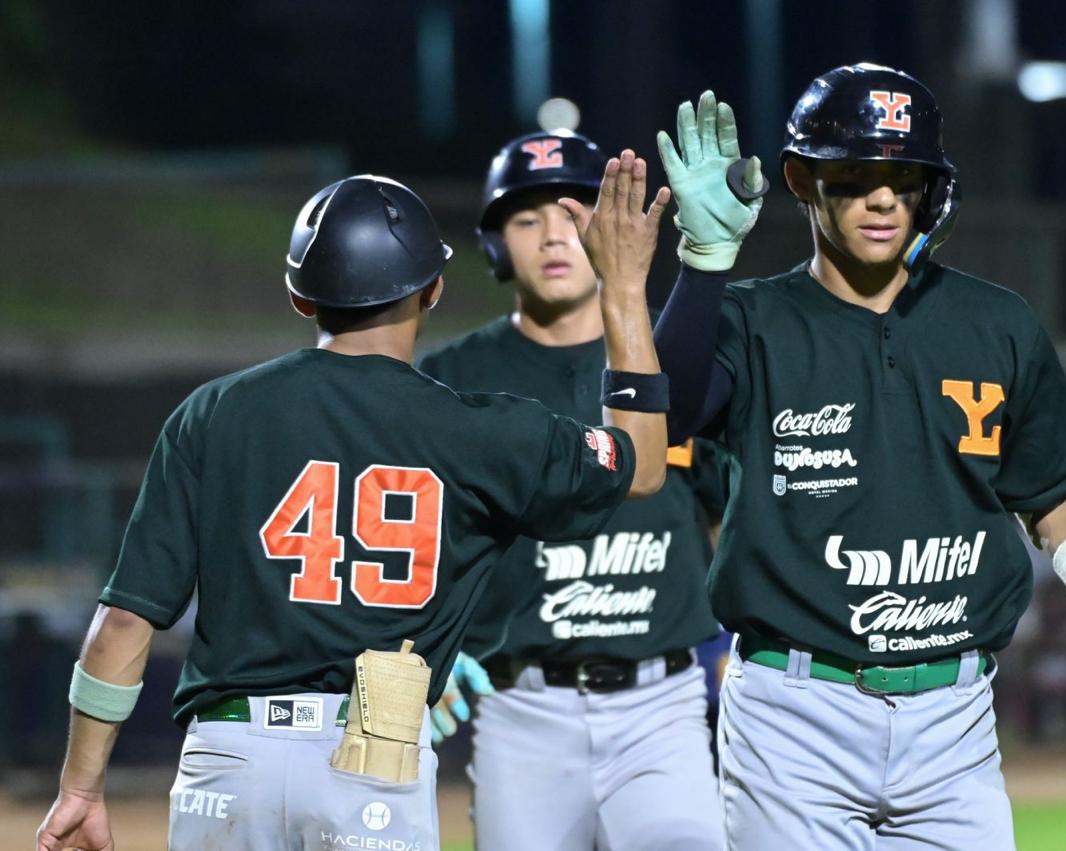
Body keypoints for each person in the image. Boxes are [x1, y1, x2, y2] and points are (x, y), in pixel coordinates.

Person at [36, 163, 672, 851]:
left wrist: (80, 787)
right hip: (369, 759)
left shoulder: (214, 413)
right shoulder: (487, 431)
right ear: (433, 287)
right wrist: (626, 288)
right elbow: (639, 461)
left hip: (226, 757)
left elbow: (124, 621)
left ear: (300, 297)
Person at [650, 63, 1066, 849]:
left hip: (955, 721)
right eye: (858, 173)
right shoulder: (749, 321)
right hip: (794, 714)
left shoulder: (997, 323)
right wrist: (702, 263)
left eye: (905, 177)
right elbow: (658, 405)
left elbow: (1058, 488)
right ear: (804, 179)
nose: (883, 197)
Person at [417, 131, 725, 851]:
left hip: (665, 703)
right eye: (526, 219)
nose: (555, 235)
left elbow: (730, 503)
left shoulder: (673, 350)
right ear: (494, 244)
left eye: (575, 209)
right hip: (519, 705)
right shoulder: (450, 377)